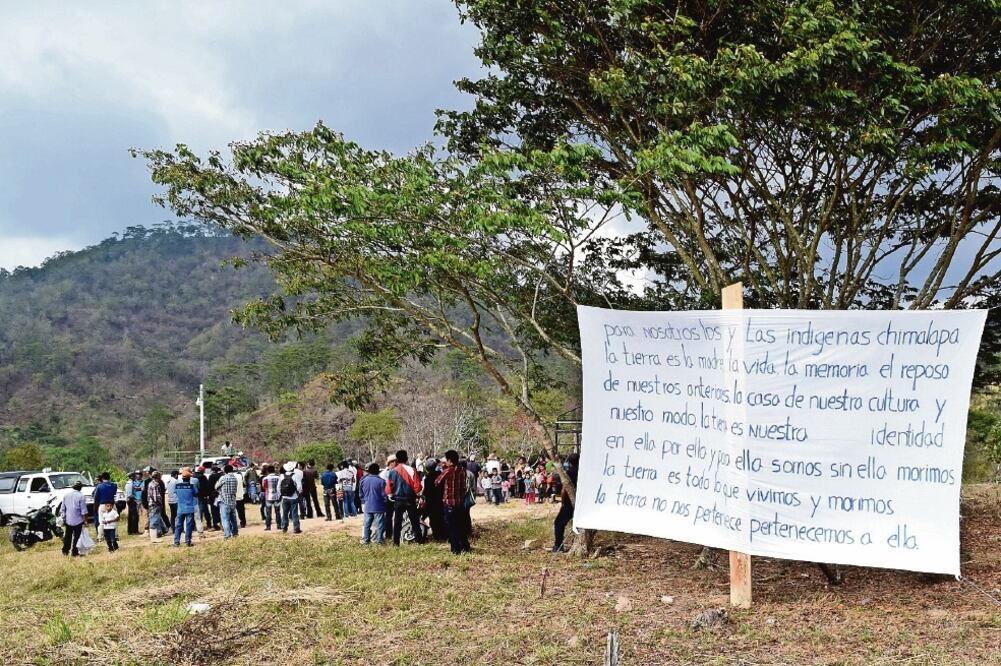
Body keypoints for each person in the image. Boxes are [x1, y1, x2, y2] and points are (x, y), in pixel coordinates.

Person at [384, 449, 425, 546]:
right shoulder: (412, 470)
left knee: (397, 521)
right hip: (410, 499)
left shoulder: (392, 471)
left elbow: (388, 487)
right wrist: (417, 494)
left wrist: (390, 495)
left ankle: (396, 542)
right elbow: (418, 487)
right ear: (406, 458)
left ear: (397, 459)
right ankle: (419, 541)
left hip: (398, 499)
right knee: (415, 520)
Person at [437, 450, 471, 555]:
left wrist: (443, 469)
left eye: (446, 460)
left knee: (452, 527)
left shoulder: (448, 471)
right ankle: (465, 546)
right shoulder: (462, 470)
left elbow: (437, 482)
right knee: (461, 526)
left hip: (449, 503)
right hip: (460, 502)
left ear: (450, 461)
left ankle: (455, 549)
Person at [552, 453, 579, 552]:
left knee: (558, 523)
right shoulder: (583, 472)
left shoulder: (569, 472)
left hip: (569, 502)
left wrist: (563, 501)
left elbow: (564, 488)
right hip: (581, 502)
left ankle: (558, 545)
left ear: (569, 462)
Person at [359, 463, 386, 545]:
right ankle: (379, 541)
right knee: (379, 525)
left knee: (367, 525)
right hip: (378, 506)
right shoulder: (381, 481)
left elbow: (360, 494)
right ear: (378, 471)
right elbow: (384, 495)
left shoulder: (363, 480)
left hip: (367, 506)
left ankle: (366, 541)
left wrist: (364, 501)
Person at [60, 480, 88, 556]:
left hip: (68, 520)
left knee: (67, 536)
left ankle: (65, 551)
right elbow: (83, 511)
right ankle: (74, 552)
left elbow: (62, 509)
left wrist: (63, 518)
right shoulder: (81, 496)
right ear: (81, 488)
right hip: (78, 520)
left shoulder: (66, 495)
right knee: (77, 537)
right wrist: (85, 521)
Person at [172, 467, 199, 547]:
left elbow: (175, 493)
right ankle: (188, 541)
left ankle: (176, 542)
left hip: (180, 509)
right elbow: (196, 493)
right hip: (190, 508)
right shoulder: (192, 486)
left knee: (178, 526)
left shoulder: (177, 486)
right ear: (189, 478)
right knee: (189, 526)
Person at [422, 459, 446, 542]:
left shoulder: (427, 479)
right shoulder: (441, 475)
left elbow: (426, 492)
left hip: (431, 502)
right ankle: (444, 535)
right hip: (441, 500)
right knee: (442, 518)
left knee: (433, 520)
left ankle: (437, 536)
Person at [216, 464, 240, 539]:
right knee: (233, 519)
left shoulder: (223, 478)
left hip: (224, 501)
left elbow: (216, 487)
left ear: (225, 471)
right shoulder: (235, 478)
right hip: (233, 501)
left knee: (225, 519)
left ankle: (227, 535)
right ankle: (235, 533)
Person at [280, 461, 303, 534]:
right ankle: (296, 528)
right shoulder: (295, 476)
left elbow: (278, 487)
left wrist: (282, 494)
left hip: (285, 498)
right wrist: (298, 492)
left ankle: (284, 528)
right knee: (294, 513)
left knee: (284, 513)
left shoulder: (281, 476)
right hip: (293, 497)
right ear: (293, 468)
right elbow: (299, 487)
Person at [93, 472, 118, 537]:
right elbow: (114, 493)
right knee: (114, 520)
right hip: (112, 504)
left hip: (103, 505)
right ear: (109, 477)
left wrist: (95, 507)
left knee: (101, 521)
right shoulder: (114, 485)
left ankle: (100, 536)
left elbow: (96, 498)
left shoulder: (99, 486)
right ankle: (115, 536)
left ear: (102, 478)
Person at [147, 470, 167, 543]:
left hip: (152, 504)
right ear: (157, 477)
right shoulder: (155, 485)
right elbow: (155, 497)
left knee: (156, 519)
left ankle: (159, 533)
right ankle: (153, 538)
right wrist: (159, 503)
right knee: (154, 520)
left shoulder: (150, 483)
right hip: (155, 505)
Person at [261, 464, 282, 531]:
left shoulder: (265, 478)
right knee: (278, 512)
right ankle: (279, 525)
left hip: (268, 496)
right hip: (277, 496)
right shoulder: (278, 477)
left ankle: (268, 526)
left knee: (268, 512)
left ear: (268, 471)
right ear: (274, 470)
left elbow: (264, 487)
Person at [381, 455, 396, 540]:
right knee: (389, 516)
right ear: (391, 463)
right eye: (395, 462)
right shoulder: (384, 473)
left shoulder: (395, 471)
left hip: (396, 496)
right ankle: (388, 534)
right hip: (388, 497)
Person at [126, 471, 143, 535]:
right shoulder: (131, 484)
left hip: (129, 501)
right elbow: (130, 494)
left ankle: (130, 531)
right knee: (134, 516)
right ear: (132, 476)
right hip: (132, 500)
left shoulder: (128, 483)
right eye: (134, 475)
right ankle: (134, 531)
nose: (135, 476)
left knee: (131, 516)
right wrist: (134, 499)